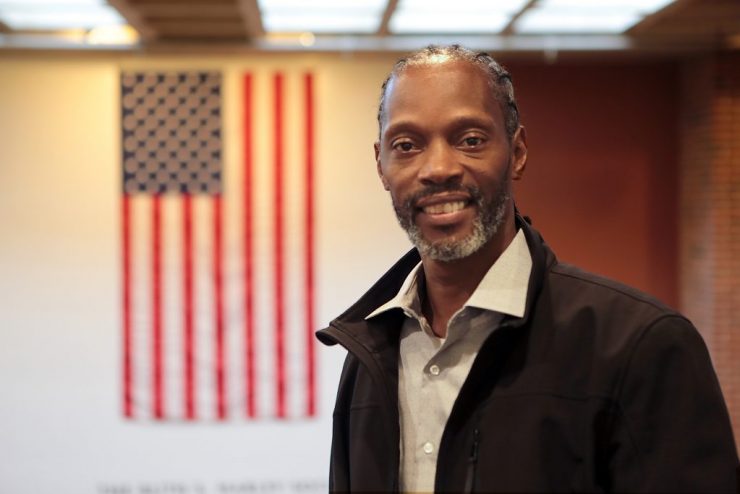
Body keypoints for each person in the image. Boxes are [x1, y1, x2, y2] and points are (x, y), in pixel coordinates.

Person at [316, 44, 739, 493]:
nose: (437, 168)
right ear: (381, 165)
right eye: (407, 145)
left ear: (516, 152)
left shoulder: (642, 346)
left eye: (470, 140)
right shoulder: (370, 353)